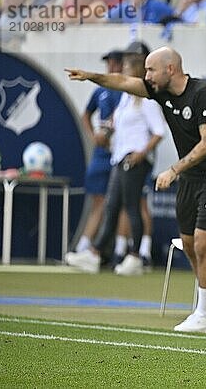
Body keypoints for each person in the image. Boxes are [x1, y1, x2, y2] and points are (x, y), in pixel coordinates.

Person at [66, 45, 206, 334]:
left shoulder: (203, 93)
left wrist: (174, 169)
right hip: (191, 178)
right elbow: (122, 82)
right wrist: (90, 76)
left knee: (203, 243)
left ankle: (204, 314)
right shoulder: (158, 90)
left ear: (170, 69)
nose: (146, 75)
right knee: (188, 244)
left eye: (150, 69)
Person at [66, 42, 166, 276]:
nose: (123, 77)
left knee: (131, 207)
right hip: (119, 158)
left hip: (135, 160)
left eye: (127, 73)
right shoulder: (126, 100)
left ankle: (135, 257)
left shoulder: (148, 100)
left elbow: (159, 131)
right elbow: (116, 122)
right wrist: (106, 132)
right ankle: (95, 253)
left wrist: (142, 153)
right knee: (111, 206)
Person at [74, 49, 123, 256]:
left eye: (113, 63)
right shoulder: (100, 90)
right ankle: (86, 245)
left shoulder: (128, 88)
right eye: (108, 63)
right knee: (99, 200)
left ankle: (120, 248)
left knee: (123, 201)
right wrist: (93, 135)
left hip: (121, 151)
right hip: (102, 152)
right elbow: (86, 114)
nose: (110, 67)